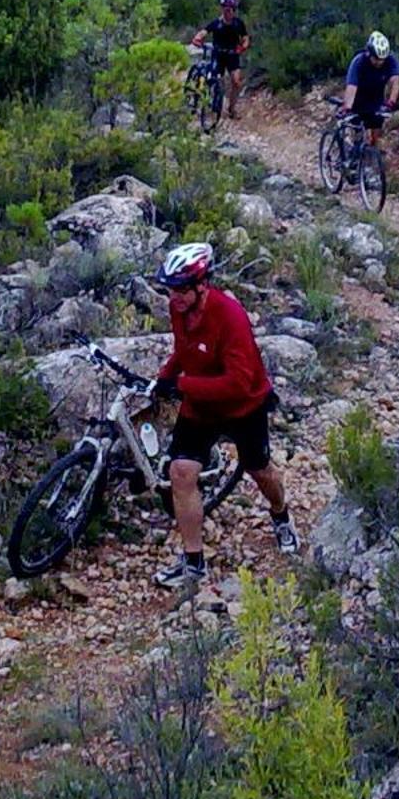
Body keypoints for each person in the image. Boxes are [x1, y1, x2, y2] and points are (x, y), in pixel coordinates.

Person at [147, 243, 298, 589]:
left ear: (202, 285)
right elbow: (183, 351)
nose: (175, 297)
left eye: (182, 289)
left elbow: (239, 383)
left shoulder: (230, 316)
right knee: (181, 473)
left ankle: (280, 515)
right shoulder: (179, 309)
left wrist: (183, 385)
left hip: (243, 406)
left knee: (260, 470)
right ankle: (193, 562)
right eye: (171, 289)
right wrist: (165, 378)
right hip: (201, 406)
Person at [191, 0, 250, 116]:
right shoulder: (216, 23)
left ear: (234, 10)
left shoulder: (238, 24)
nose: (228, 12)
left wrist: (243, 46)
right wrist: (197, 38)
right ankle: (207, 100)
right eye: (226, 9)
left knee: (236, 82)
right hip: (218, 54)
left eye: (230, 9)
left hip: (232, 55)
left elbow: (245, 37)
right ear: (222, 9)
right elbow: (204, 32)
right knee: (214, 79)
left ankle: (231, 109)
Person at [341, 30, 399, 146]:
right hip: (357, 100)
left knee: (375, 134)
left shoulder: (391, 60)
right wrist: (347, 108)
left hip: (375, 99)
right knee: (357, 135)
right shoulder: (358, 62)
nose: (380, 62)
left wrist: (391, 102)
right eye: (376, 59)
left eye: (382, 59)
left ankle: (373, 154)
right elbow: (351, 86)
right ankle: (352, 153)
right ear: (369, 53)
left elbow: (395, 82)